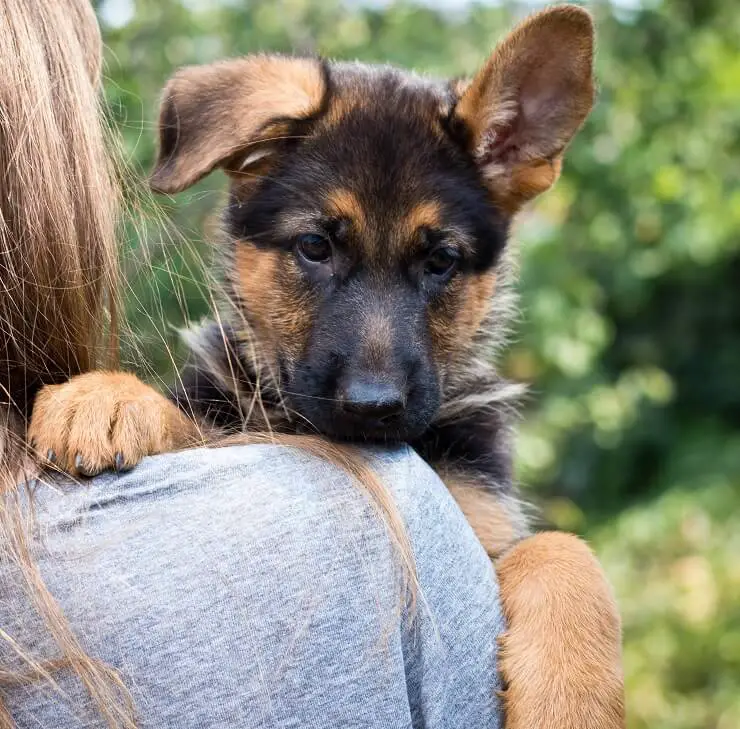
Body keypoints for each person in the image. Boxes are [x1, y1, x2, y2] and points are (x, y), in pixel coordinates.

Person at [0, 1, 504, 727]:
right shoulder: (211, 407)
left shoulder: (449, 468)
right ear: (248, 169)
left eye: (440, 262)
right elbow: (197, 451)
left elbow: (496, 578)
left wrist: (566, 587)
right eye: (316, 249)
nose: (376, 378)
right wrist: (132, 402)